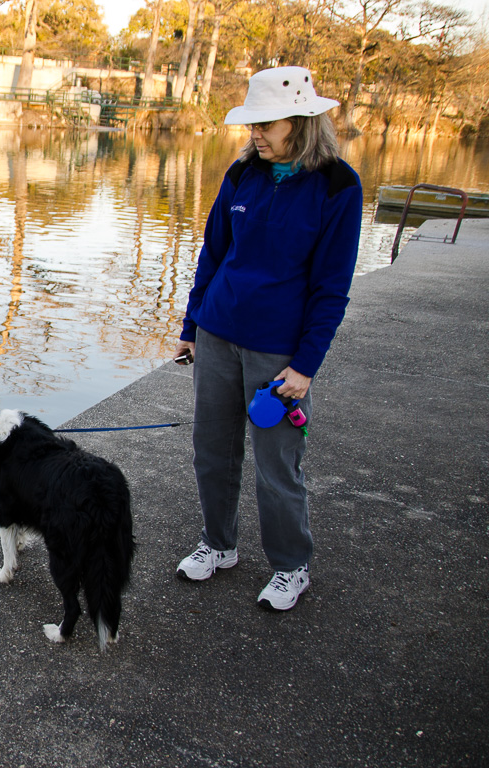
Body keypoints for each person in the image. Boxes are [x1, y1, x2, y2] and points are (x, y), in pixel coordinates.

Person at [172, 66, 362, 611]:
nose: (255, 133)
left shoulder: (337, 185)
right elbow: (213, 254)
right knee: (211, 450)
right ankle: (218, 545)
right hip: (218, 333)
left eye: (266, 123)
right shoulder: (241, 174)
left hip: (279, 351)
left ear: (301, 122)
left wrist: (304, 366)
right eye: (252, 123)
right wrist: (191, 327)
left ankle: (290, 566)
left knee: (278, 464)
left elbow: (332, 287)